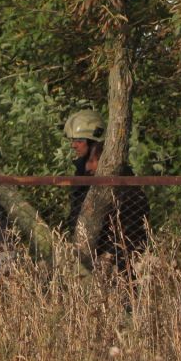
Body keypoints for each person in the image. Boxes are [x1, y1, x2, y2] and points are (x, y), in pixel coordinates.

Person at [63, 108, 149, 267]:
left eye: (79, 140)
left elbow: (134, 219)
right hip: (88, 252)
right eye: (73, 140)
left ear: (94, 142)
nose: (73, 145)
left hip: (117, 255)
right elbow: (75, 212)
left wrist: (111, 254)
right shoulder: (80, 172)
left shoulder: (121, 176)